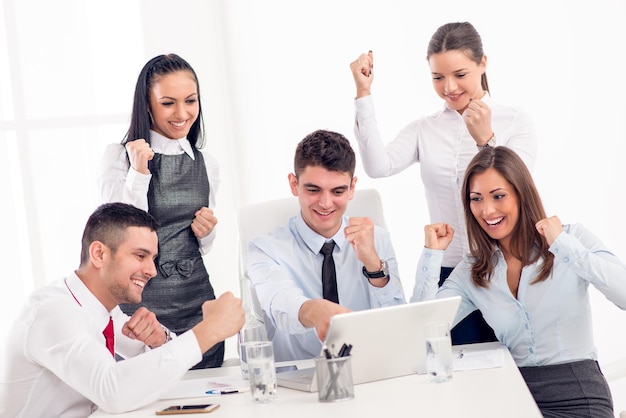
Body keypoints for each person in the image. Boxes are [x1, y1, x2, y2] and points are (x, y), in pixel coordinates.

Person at [349, 22, 538, 345]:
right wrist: (364, 94)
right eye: (438, 77)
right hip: (450, 272)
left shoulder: (514, 120)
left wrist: (486, 141)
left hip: (509, 269)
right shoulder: (426, 129)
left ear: (483, 64)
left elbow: (517, 189)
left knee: (516, 369)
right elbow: (378, 166)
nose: (449, 87)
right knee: (453, 370)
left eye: (460, 74)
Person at [411, 146, 623, 417]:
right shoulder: (473, 269)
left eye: (498, 196)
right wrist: (432, 255)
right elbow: (421, 331)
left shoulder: (572, 240)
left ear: (522, 195)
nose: (487, 210)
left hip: (579, 395)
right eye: (476, 199)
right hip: (514, 396)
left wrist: (564, 246)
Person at [0, 203, 245, 417]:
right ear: (99, 254)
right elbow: (113, 390)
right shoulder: (54, 312)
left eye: (153, 259)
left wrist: (160, 340)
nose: (152, 271)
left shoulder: (105, 311)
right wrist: (209, 330)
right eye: (140, 256)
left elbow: (147, 371)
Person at [99, 54, 223, 368]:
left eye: (190, 101)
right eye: (168, 103)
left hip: (197, 305)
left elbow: (202, 247)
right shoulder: (119, 158)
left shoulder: (206, 162)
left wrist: (207, 233)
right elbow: (119, 238)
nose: (182, 114)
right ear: (147, 104)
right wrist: (139, 173)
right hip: (142, 314)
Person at [246, 129, 406, 361]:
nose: (325, 203)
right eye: (313, 190)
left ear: (352, 188)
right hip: (297, 382)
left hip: (366, 374)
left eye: (338, 191)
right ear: (294, 184)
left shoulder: (377, 239)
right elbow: (279, 303)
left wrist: (373, 264)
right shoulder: (265, 249)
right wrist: (314, 311)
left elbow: (396, 322)